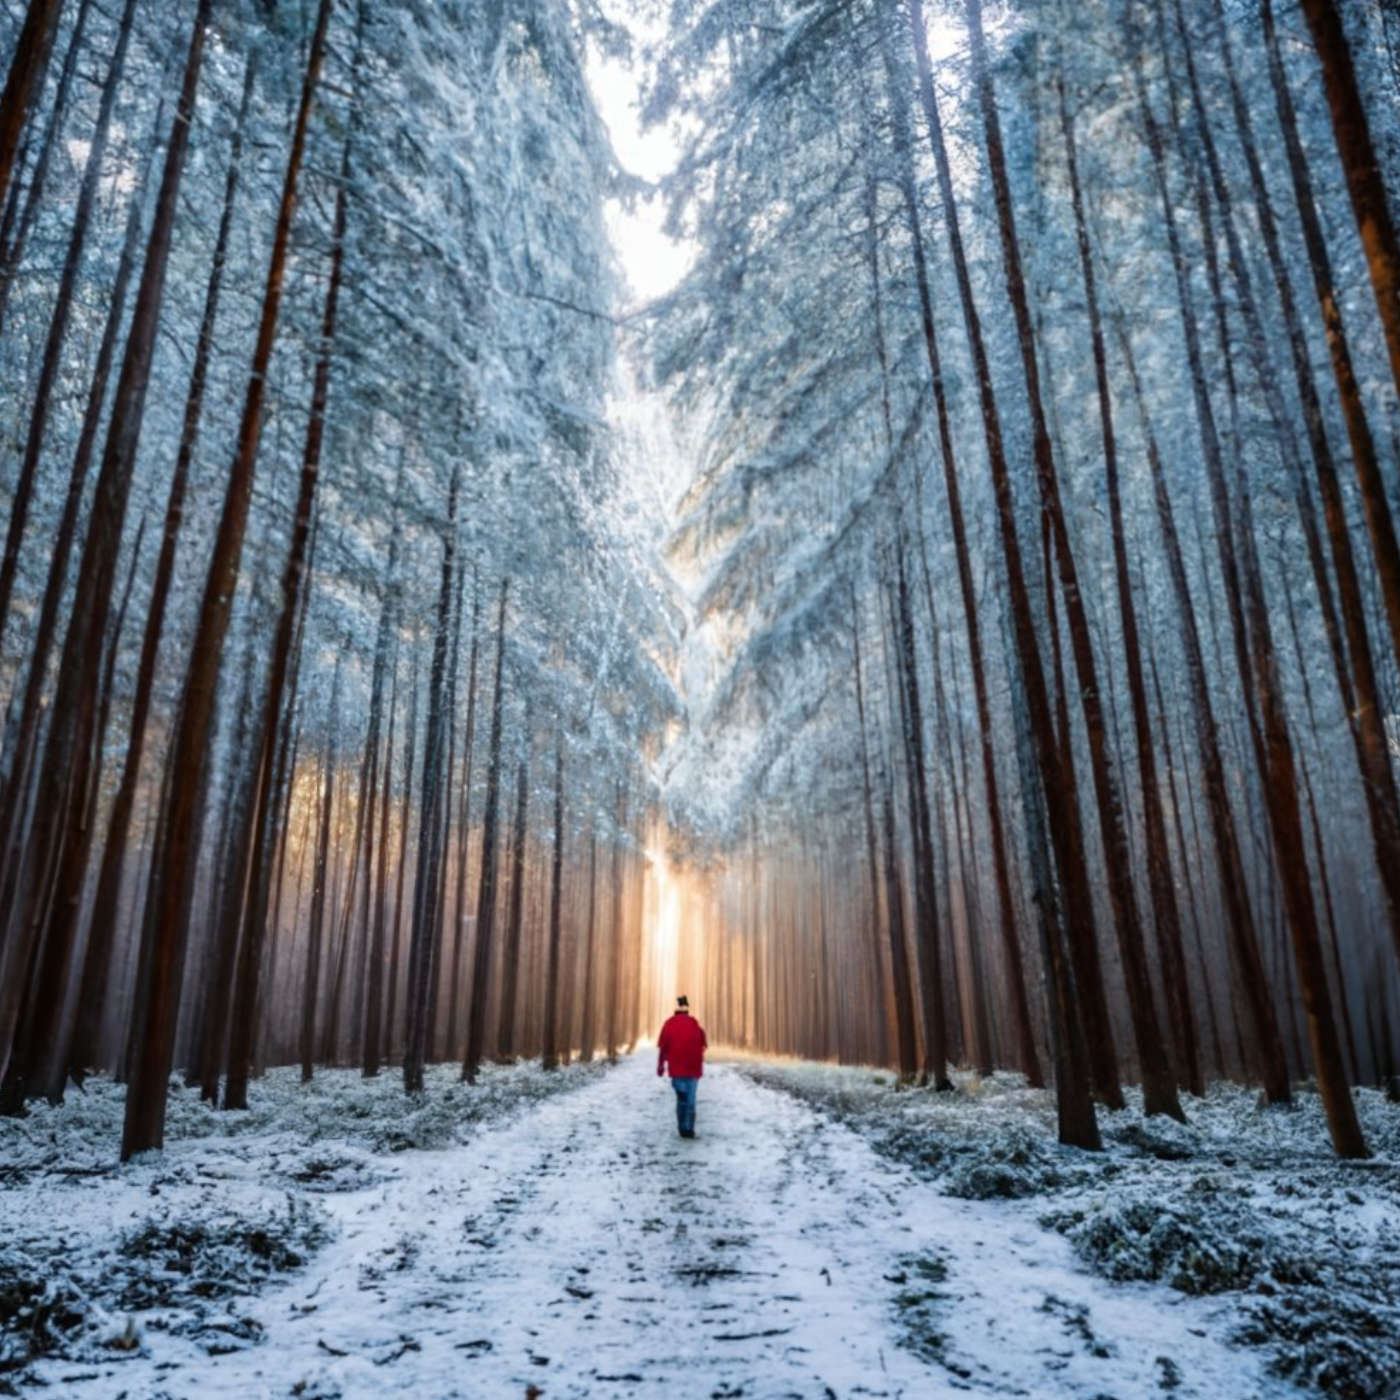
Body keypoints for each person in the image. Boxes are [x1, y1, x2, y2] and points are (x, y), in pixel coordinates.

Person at [656, 995, 707, 1138]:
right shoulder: (695, 1024)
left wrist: (661, 1066)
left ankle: (683, 1128)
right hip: (692, 1069)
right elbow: (703, 1045)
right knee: (690, 1100)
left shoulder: (669, 1024)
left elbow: (663, 1047)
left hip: (677, 1068)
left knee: (682, 1099)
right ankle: (688, 1129)